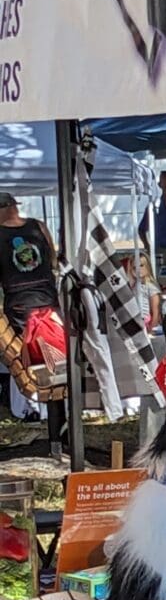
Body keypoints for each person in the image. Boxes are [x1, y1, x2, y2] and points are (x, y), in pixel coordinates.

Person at [0, 193, 67, 453]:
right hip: (48, 305)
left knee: (35, 366)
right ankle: (55, 427)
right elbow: (51, 260)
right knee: (54, 366)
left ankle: (52, 428)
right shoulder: (38, 226)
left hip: (23, 309)